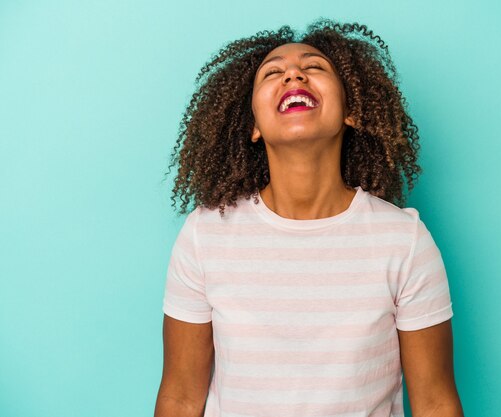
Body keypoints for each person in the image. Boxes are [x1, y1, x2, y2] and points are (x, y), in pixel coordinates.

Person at [154, 18, 463, 417]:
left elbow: (436, 403)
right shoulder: (205, 234)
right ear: (253, 127)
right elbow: (179, 397)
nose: (293, 74)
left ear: (351, 112)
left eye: (314, 67)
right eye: (272, 72)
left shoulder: (404, 241)